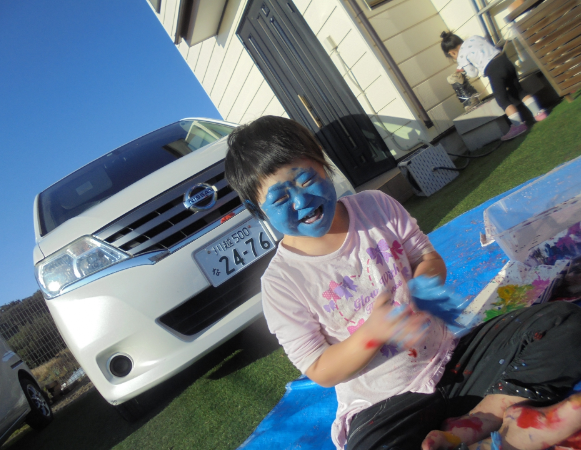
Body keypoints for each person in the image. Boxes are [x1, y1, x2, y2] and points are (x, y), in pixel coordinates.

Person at [224, 115, 581, 450]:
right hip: (384, 402)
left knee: (563, 324)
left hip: (452, 360)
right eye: (280, 198)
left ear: (324, 165)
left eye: (305, 180)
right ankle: (492, 421)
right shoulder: (281, 284)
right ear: (259, 211)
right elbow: (320, 369)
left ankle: (484, 417)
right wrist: (373, 333)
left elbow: (428, 259)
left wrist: (421, 293)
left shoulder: (377, 207)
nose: (302, 200)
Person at [440, 31, 548, 141]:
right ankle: (539, 113)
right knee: (518, 90)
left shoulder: (461, 56)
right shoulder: (475, 37)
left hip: (493, 70)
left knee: (502, 100)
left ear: (452, 53)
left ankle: (518, 125)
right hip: (504, 60)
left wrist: (464, 69)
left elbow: (473, 73)